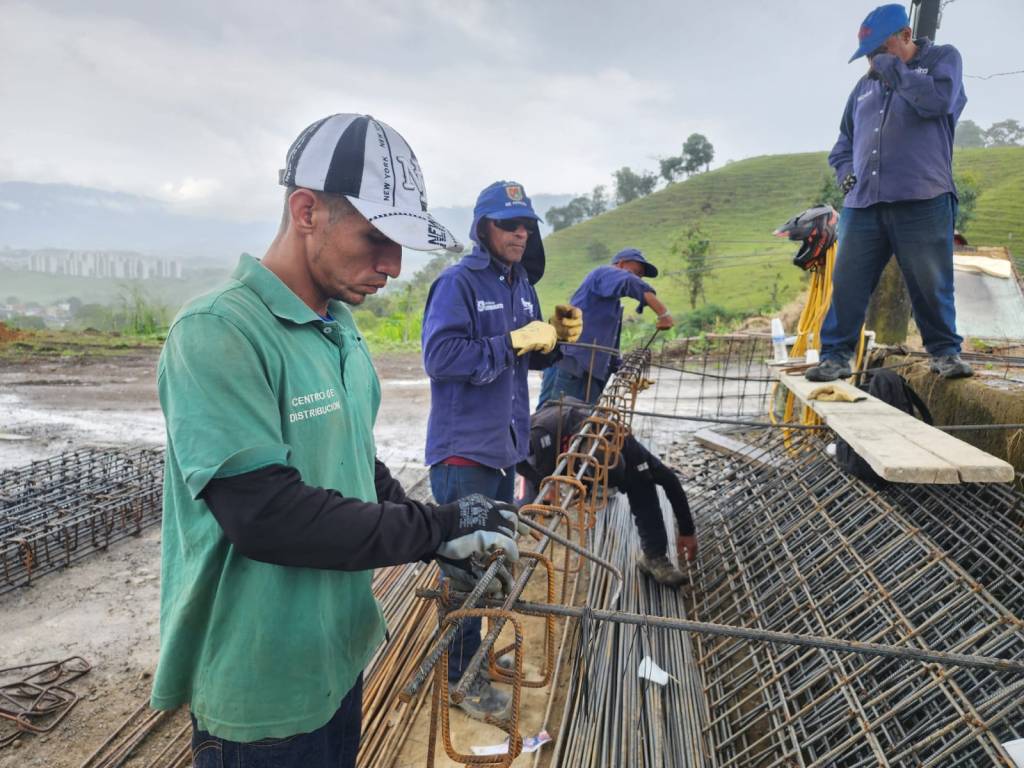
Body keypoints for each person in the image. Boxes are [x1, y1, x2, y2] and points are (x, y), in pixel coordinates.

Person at [152, 114, 524, 768]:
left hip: (341, 654)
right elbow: (267, 515)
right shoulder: (220, 332)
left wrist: (443, 534)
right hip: (262, 685)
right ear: (305, 212)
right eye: (376, 238)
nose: (394, 265)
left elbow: (353, 458)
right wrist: (438, 522)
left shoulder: (341, 328)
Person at [421, 180, 581, 720]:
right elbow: (441, 357)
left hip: (503, 448)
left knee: (495, 564)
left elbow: (528, 360)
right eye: (509, 224)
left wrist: (556, 341)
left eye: (526, 225)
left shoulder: (522, 287)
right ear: (483, 228)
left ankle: (479, 656)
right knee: (464, 571)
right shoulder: (458, 283)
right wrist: (512, 340)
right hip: (464, 452)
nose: (520, 233)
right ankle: (460, 683)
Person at [807, 3, 972, 382]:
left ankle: (945, 353)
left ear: (906, 36)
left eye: (880, 52)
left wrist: (894, 70)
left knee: (931, 282)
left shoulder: (942, 60)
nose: (873, 62)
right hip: (864, 204)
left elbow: (938, 103)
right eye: (868, 56)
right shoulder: (862, 88)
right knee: (847, 282)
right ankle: (835, 356)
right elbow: (842, 145)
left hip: (923, 198)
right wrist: (847, 174)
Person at [517, 396, 697, 586]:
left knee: (642, 482)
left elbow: (670, 480)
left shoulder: (627, 446)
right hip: (553, 437)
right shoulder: (541, 435)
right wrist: (544, 483)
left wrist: (687, 530)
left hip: (585, 442)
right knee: (529, 506)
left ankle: (655, 556)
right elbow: (514, 458)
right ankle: (507, 548)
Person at [538, 247, 674, 407]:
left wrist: (626, 373)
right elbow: (629, 281)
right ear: (621, 264)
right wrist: (663, 314)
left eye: (640, 276)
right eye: (636, 272)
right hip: (571, 365)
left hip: (592, 373)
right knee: (553, 418)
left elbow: (610, 350)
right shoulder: (603, 273)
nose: (639, 278)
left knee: (579, 424)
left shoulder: (612, 306)